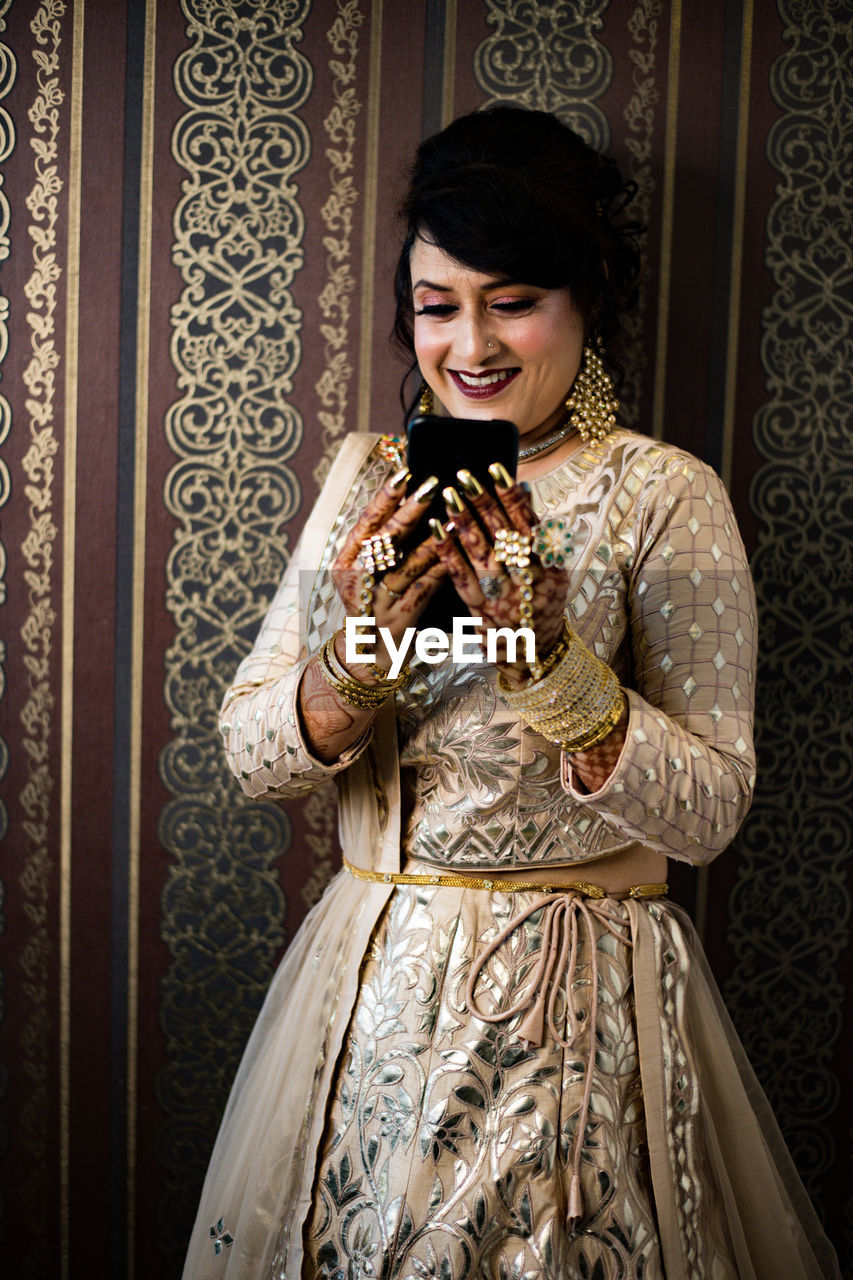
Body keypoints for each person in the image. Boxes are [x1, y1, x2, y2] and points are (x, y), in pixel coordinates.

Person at [182, 107, 839, 1279]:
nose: (468, 344)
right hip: (363, 988)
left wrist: (551, 666)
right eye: (436, 305)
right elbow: (247, 750)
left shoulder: (658, 493)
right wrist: (359, 654)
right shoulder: (365, 487)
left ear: (586, 302)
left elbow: (711, 809)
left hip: (570, 1011)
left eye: (511, 300)